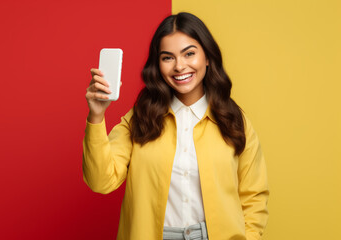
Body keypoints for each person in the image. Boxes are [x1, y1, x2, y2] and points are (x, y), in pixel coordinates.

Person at [83, 12, 269, 240]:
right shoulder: (140, 118)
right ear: (158, 65)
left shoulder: (234, 121)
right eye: (168, 57)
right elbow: (101, 180)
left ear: (208, 57)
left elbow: (254, 197)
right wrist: (97, 115)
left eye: (189, 53)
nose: (180, 66)